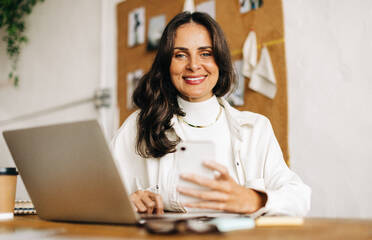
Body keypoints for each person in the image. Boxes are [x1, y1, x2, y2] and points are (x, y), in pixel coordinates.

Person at [112, 11, 311, 216]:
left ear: (220, 60)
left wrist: (254, 199)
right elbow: (98, 198)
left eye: (205, 53)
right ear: (166, 64)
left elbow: (300, 198)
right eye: (180, 54)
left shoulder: (255, 128)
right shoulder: (139, 126)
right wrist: (126, 203)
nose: (194, 65)